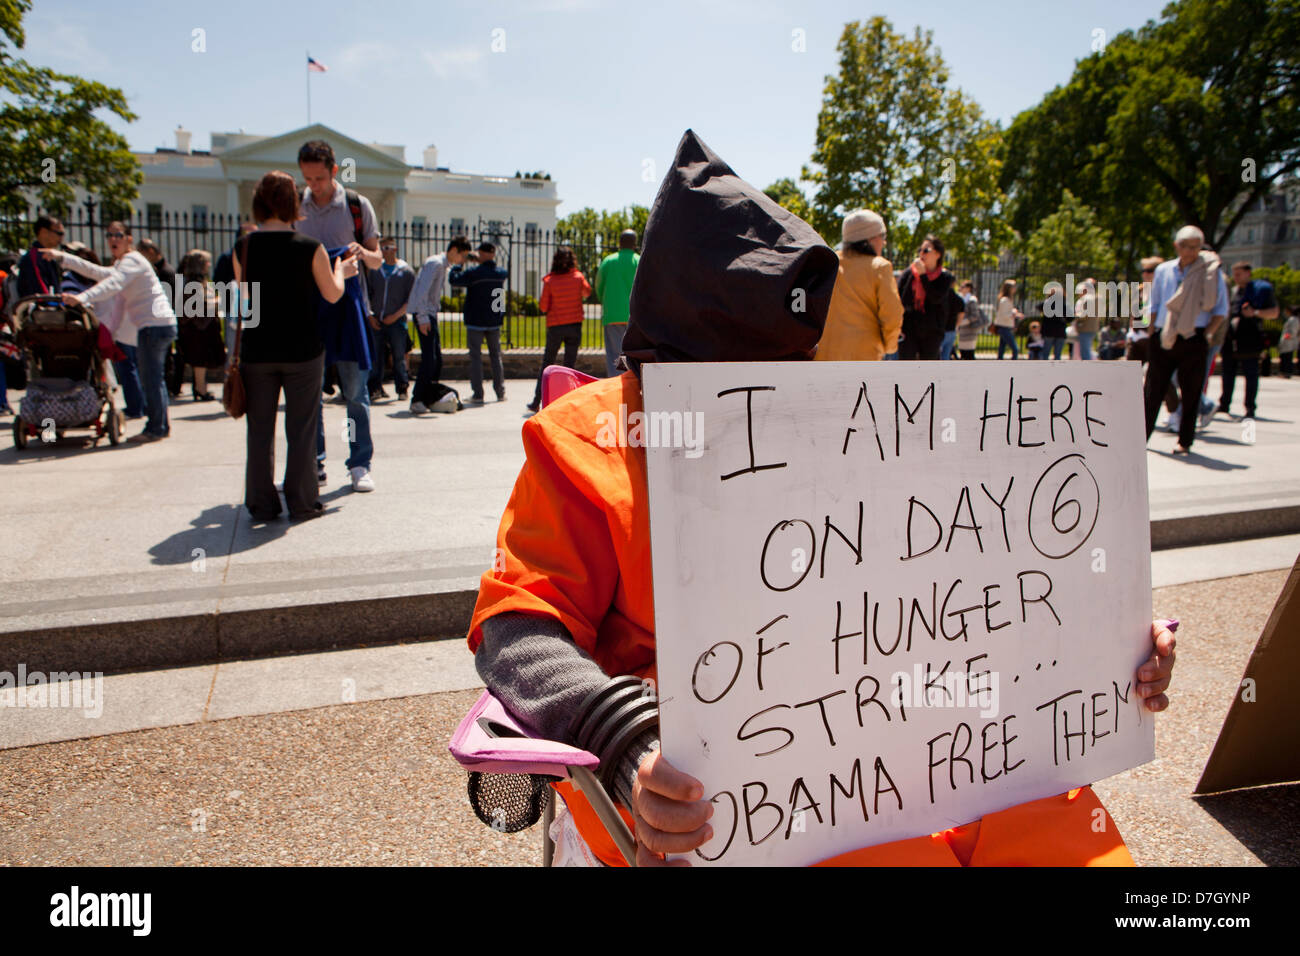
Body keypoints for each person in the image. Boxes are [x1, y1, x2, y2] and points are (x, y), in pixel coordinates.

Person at [465, 129, 1178, 868]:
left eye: (794, 374)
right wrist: (623, 735)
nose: (781, 406)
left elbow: (959, 581)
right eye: (742, 384)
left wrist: (1103, 642)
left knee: (1071, 841)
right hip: (720, 796)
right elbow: (515, 630)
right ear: (660, 364)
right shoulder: (579, 445)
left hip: (928, 739)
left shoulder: (852, 428)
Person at [234, 171, 357, 522]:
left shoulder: (243, 247)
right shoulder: (309, 247)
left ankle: (261, 503)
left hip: (258, 350)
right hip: (302, 348)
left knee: (259, 431)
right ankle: (302, 501)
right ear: (293, 204)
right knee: (301, 428)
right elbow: (332, 295)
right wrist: (340, 270)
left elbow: (242, 302)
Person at [296, 139, 382, 492]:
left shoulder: (356, 206)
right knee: (309, 394)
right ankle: (314, 462)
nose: (313, 186)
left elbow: (379, 261)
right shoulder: (296, 208)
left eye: (318, 178)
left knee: (355, 393)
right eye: (307, 178)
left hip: (349, 310)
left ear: (334, 171)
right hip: (309, 312)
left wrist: (362, 252)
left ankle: (359, 463)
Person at [47, 221, 178, 442]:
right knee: (154, 379)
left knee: (151, 379)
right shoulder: (123, 265)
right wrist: (64, 258)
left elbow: (113, 284)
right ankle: (159, 426)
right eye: (109, 236)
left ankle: (156, 428)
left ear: (129, 239)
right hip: (157, 325)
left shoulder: (132, 261)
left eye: (118, 235)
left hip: (154, 327)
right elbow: (97, 273)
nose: (113, 240)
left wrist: (81, 298)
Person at [1143, 225, 1228, 455]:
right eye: (1186, 246)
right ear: (1176, 246)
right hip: (1164, 335)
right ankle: (1141, 438)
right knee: (1152, 390)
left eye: (1196, 246)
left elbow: (1221, 309)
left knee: (1191, 391)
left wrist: (1207, 333)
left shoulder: (1210, 271)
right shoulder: (1164, 270)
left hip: (1194, 336)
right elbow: (1155, 302)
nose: (1191, 251)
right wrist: (1152, 331)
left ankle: (1185, 440)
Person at [814, 209, 904, 363]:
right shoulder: (879, 267)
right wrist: (889, 347)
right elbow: (892, 315)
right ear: (871, 239)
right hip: (864, 357)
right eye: (883, 236)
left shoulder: (828, 262)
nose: (884, 242)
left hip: (823, 356)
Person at [408, 236, 473, 414]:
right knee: (430, 360)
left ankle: (429, 395)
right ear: (454, 250)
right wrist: (422, 318)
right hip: (425, 315)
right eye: (463, 256)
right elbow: (422, 291)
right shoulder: (435, 264)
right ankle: (417, 399)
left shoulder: (441, 266)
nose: (462, 261)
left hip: (430, 314)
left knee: (436, 359)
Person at [528, 246, 590, 413]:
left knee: (547, 364)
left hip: (555, 326)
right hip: (574, 325)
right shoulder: (578, 277)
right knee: (569, 366)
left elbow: (542, 307)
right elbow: (587, 292)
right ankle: (568, 401)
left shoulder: (550, 281)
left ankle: (536, 401)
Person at [449, 242, 509, 404]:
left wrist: (459, 264)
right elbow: (500, 297)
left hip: (475, 321)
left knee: (475, 358)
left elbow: (454, 280)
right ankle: (500, 392)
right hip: (494, 321)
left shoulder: (474, 273)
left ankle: (478, 394)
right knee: (496, 357)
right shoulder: (500, 273)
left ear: (480, 253)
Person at [1218, 261, 1278, 421]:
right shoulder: (1233, 291)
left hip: (1250, 338)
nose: (1235, 277)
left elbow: (1274, 313)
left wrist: (1255, 312)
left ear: (1248, 273)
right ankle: (1224, 404)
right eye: (1234, 274)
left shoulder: (1261, 290)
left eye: (1238, 274)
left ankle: (1250, 407)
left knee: (1251, 374)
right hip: (1230, 338)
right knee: (1227, 373)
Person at [366, 238, 416, 402]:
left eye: (387, 248)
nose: (384, 251)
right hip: (377, 320)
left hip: (396, 321)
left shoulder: (406, 271)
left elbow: (410, 299)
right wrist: (371, 315)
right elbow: (368, 295)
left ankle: (402, 387)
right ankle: (375, 387)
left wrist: (394, 316)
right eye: (381, 248)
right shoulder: (374, 271)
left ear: (394, 249)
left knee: (399, 356)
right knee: (376, 356)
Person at [896, 235, 960, 360]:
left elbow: (936, 298)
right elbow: (900, 299)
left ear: (938, 254)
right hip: (909, 327)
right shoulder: (909, 274)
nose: (921, 253)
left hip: (932, 330)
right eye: (920, 250)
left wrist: (923, 276)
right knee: (905, 365)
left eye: (926, 250)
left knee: (928, 368)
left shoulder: (945, 277)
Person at [176, 249, 227, 401]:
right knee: (200, 361)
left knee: (200, 361)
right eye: (206, 262)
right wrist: (218, 302)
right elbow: (198, 305)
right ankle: (200, 389)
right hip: (198, 329)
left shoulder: (191, 281)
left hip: (198, 328)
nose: (209, 265)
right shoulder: (193, 283)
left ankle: (200, 387)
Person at [595, 230, 639, 377]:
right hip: (636, 317)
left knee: (615, 357)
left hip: (612, 314)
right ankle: (632, 387)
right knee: (634, 356)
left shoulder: (608, 261)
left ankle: (616, 391)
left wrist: (607, 301)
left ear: (619, 243)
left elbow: (599, 286)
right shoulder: (639, 261)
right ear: (635, 243)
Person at [17, 215, 64, 297]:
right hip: (42, 307)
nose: (62, 237)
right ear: (44, 232)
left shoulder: (47, 256)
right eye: (59, 233)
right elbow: (40, 294)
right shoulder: (34, 257)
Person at [993, 279, 1022, 359]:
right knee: (1015, 349)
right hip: (1004, 327)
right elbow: (1004, 314)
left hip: (1006, 326)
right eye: (1014, 287)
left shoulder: (1008, 300)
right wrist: (1014, 314)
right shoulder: (1005, 300)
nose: (1015, 288)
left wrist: (1014, 313)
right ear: (1009, 288)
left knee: (1002, 348)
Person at [954, 282, 984, 360]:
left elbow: (975, 315)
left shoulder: (972, 300)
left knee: (969, 354)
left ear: (968, 288)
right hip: (962, 330)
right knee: (963, 352)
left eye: (963, 286)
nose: (960, 288)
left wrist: (963, 322)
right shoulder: (962, 298)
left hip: (970, 330)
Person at [1074, 277, 1100, 360]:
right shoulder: (1096, 297)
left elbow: (1084, 315)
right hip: (1092, 327)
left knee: (1085, 352)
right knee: (1087, 350)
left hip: (1085, 327)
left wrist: (1075, 316)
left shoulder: (1088, 298)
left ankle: (1087, 370)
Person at [1280, 305, 1299, 379]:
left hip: (1288, 342)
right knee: (1286, 357)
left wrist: (1287, 337)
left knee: (1287, 358)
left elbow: (1292, 331)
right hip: (1288, 341)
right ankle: (1285, 372)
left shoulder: (1293, 319)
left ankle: (1286, 373)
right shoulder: (1293, 319)